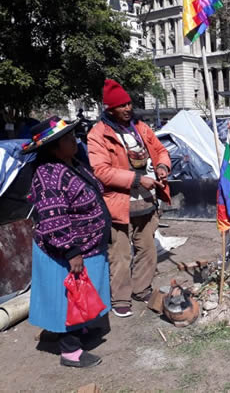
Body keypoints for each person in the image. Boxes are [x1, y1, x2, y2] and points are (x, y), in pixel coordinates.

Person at [25, 116, 111, 368]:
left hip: (88, 246)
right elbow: (55, 219)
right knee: (69, 299)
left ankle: (82, 331)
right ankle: (70, 352)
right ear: (53, 147)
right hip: (64, 251)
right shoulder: (48, 175)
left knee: (83, 295)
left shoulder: (71, 163)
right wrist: (71, 250)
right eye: (68, 139)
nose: (75, 141)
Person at [87, 79, 171, 318]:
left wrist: (163, 166)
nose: (127, 108)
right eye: (121, 106)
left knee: (147, 249)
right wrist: (136, 179)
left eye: (128, 104)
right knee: (121, 254)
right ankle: (121, 298)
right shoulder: (98, 134)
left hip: (146, 201)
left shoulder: (141, 128)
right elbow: (101, 171)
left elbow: (160, 150)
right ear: (110, 109)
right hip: (119, 205)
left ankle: (141, 288)